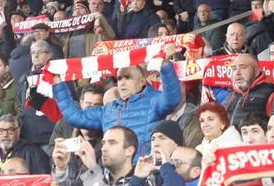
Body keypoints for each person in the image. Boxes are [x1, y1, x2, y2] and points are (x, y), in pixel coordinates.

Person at [51, 46, 183, 159]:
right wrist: (57, 83)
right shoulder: (107, 110)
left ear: (142, 81)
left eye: (128, 77)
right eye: (119, 79)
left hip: (144, 172)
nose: (122, 82)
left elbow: (172, 99)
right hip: (111, 173)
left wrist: (165, 66)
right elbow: (74, 117)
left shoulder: (154, 101)